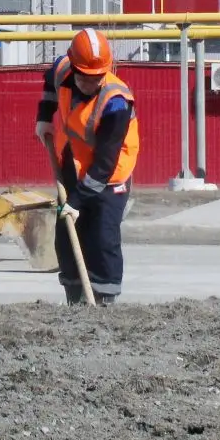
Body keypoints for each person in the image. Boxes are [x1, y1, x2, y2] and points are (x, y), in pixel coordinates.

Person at [34, 28, 140, 306]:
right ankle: (74, 297)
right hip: (73, 163)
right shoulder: (64, 71)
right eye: (85, 77)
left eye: (97, 78)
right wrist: (45, 116)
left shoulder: (116, 102)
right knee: (66, 237)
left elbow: (105, 163)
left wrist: (77, 201)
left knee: (101, 238)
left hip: (109, 176)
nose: (91, 83)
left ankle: (104, 300)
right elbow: (50, 80)